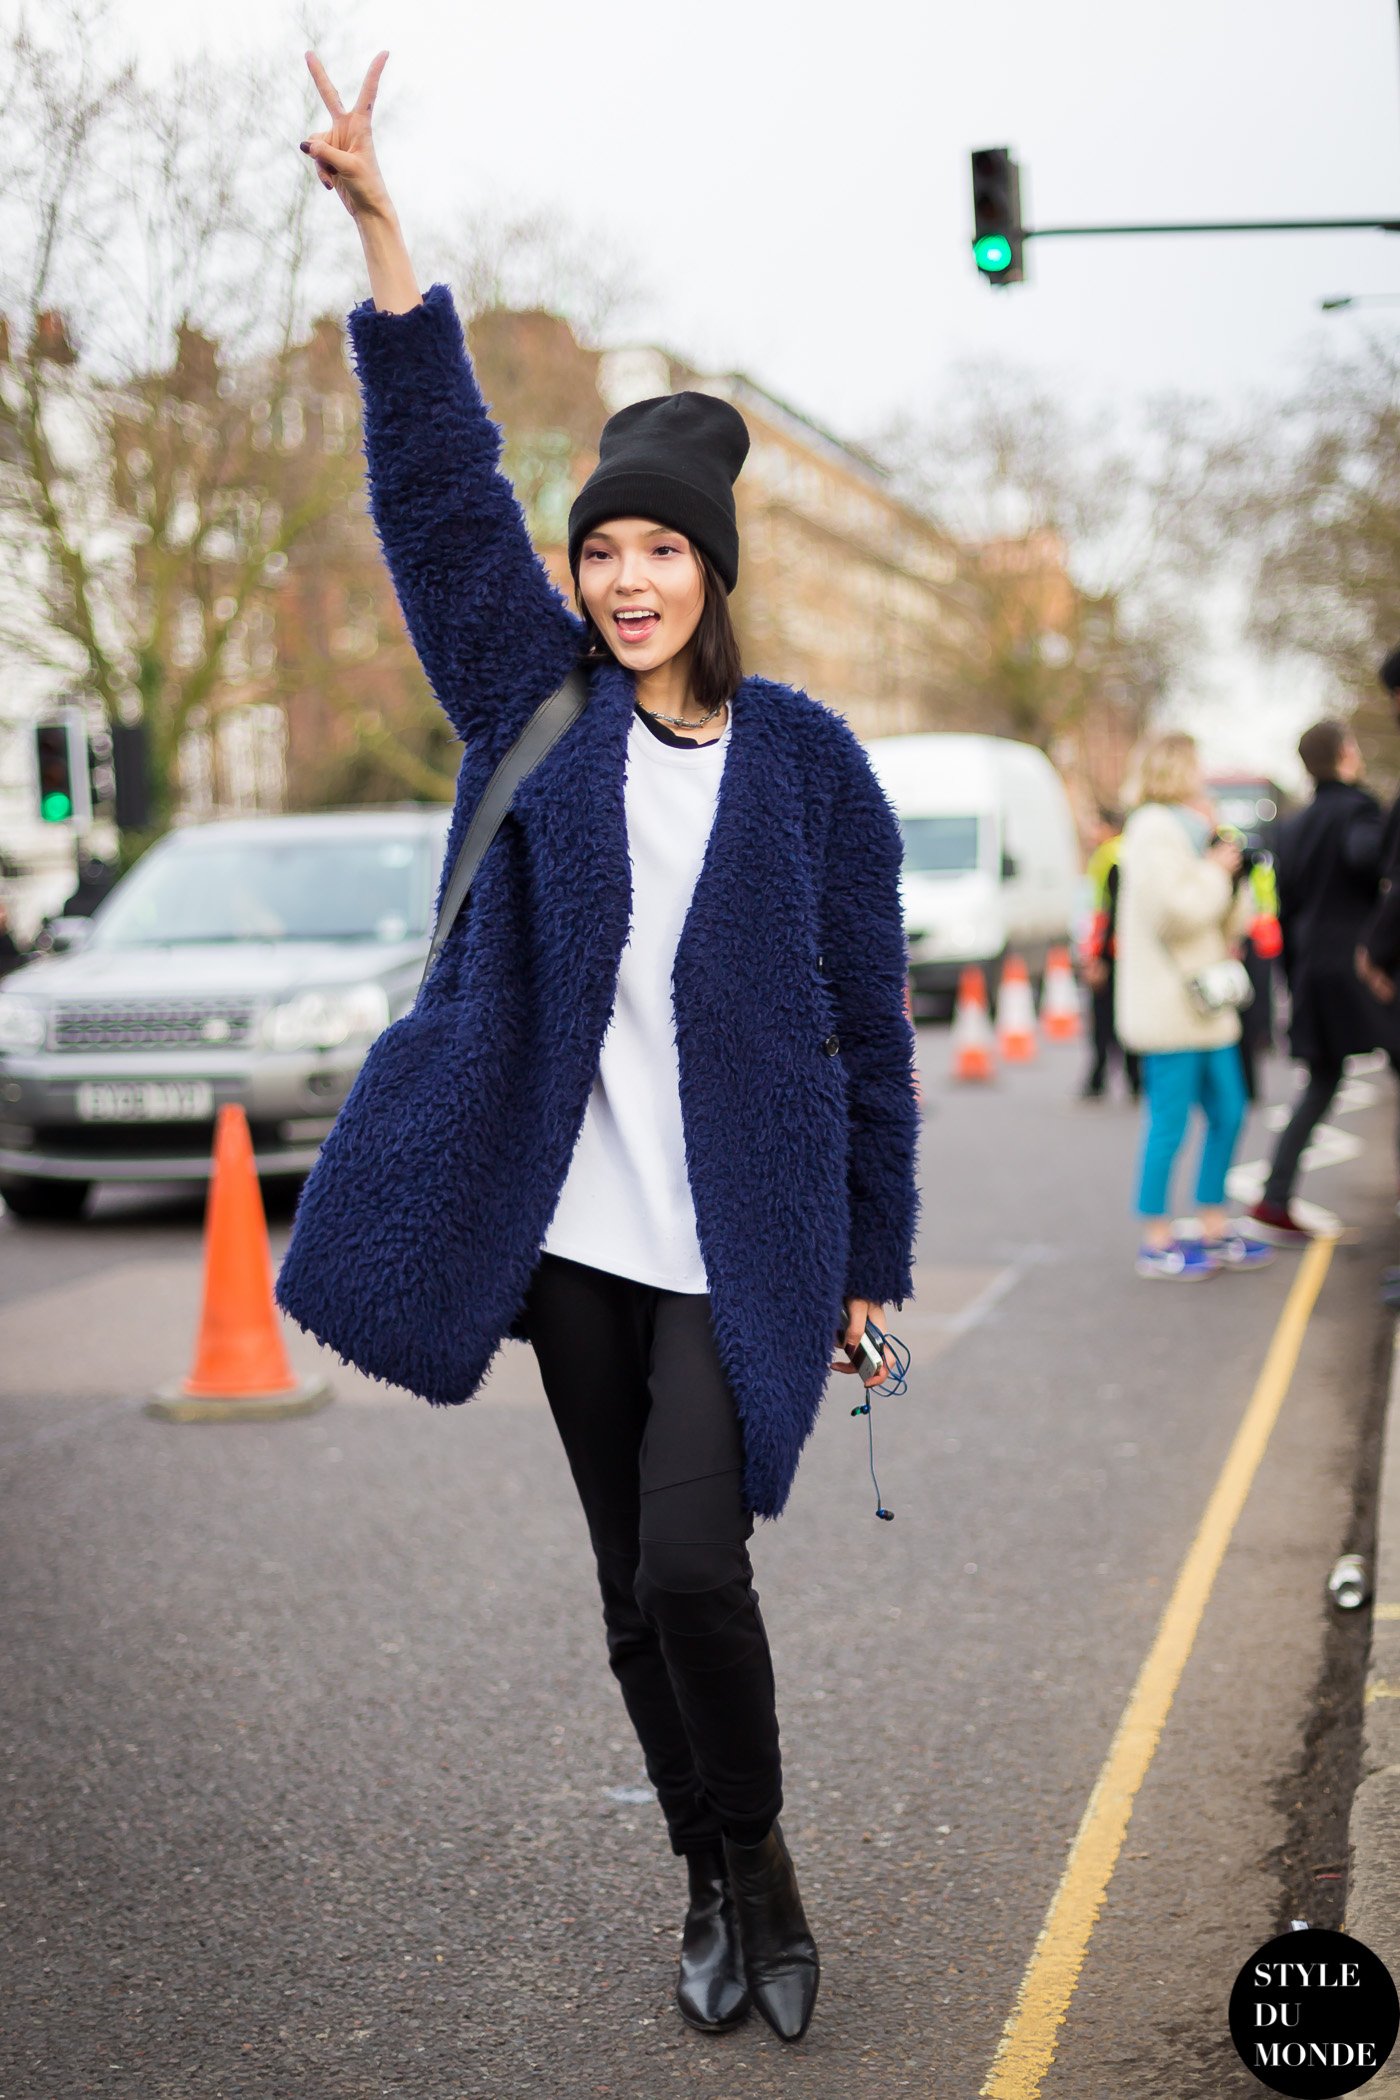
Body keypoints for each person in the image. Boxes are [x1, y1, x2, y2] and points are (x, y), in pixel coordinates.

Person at [275, 53, 920, 2049]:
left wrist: (876, 1263)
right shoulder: (531, 709)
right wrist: (384, 231)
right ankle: (709, 1886)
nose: (624, 580)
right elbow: (436, 484)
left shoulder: (809, 767)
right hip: (571, 1247)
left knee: (690, 1565)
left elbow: (865, 1035)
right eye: (600, 554)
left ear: (713, 569)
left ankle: (771, 1858)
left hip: (739, 1243)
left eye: (659, 554)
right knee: (630, 1594)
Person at [1115, 732, 1272, 1279]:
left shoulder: (1191, 830)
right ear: (1176, 768)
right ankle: (1156, 1239)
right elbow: (1176, 914)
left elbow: (1223, 920)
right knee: (1170, 1123)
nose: (1203, 773)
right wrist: (1215, 869)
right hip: (1169, 1008)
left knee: (1229, 1112)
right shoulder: (1152, 829)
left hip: (1207, 1004)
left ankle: (1212, 1222)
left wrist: (1233, 874)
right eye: (1196, 763)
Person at [1250, 721, 1397, 1240]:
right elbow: (1367, 857)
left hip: (1310, 967)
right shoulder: (1358, 811)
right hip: (1362, 967)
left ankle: (1274, 1197)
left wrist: (1291, 977)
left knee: (1322, 1081)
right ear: (1345, 754)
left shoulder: (1292, 825)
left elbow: (1286, 909)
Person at [1079, 807, 1141, 1102]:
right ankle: (1134, 1081)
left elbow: (1110, 913)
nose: (1092, 834)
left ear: (1109, 827)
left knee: (1105, 1019)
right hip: (1125, 952)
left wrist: (1098, 959)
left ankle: (1100, 1081)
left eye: (1096, 826)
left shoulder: (1112, 856)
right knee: (1121, 1015)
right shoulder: (1125, 851)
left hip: (1113, 952)